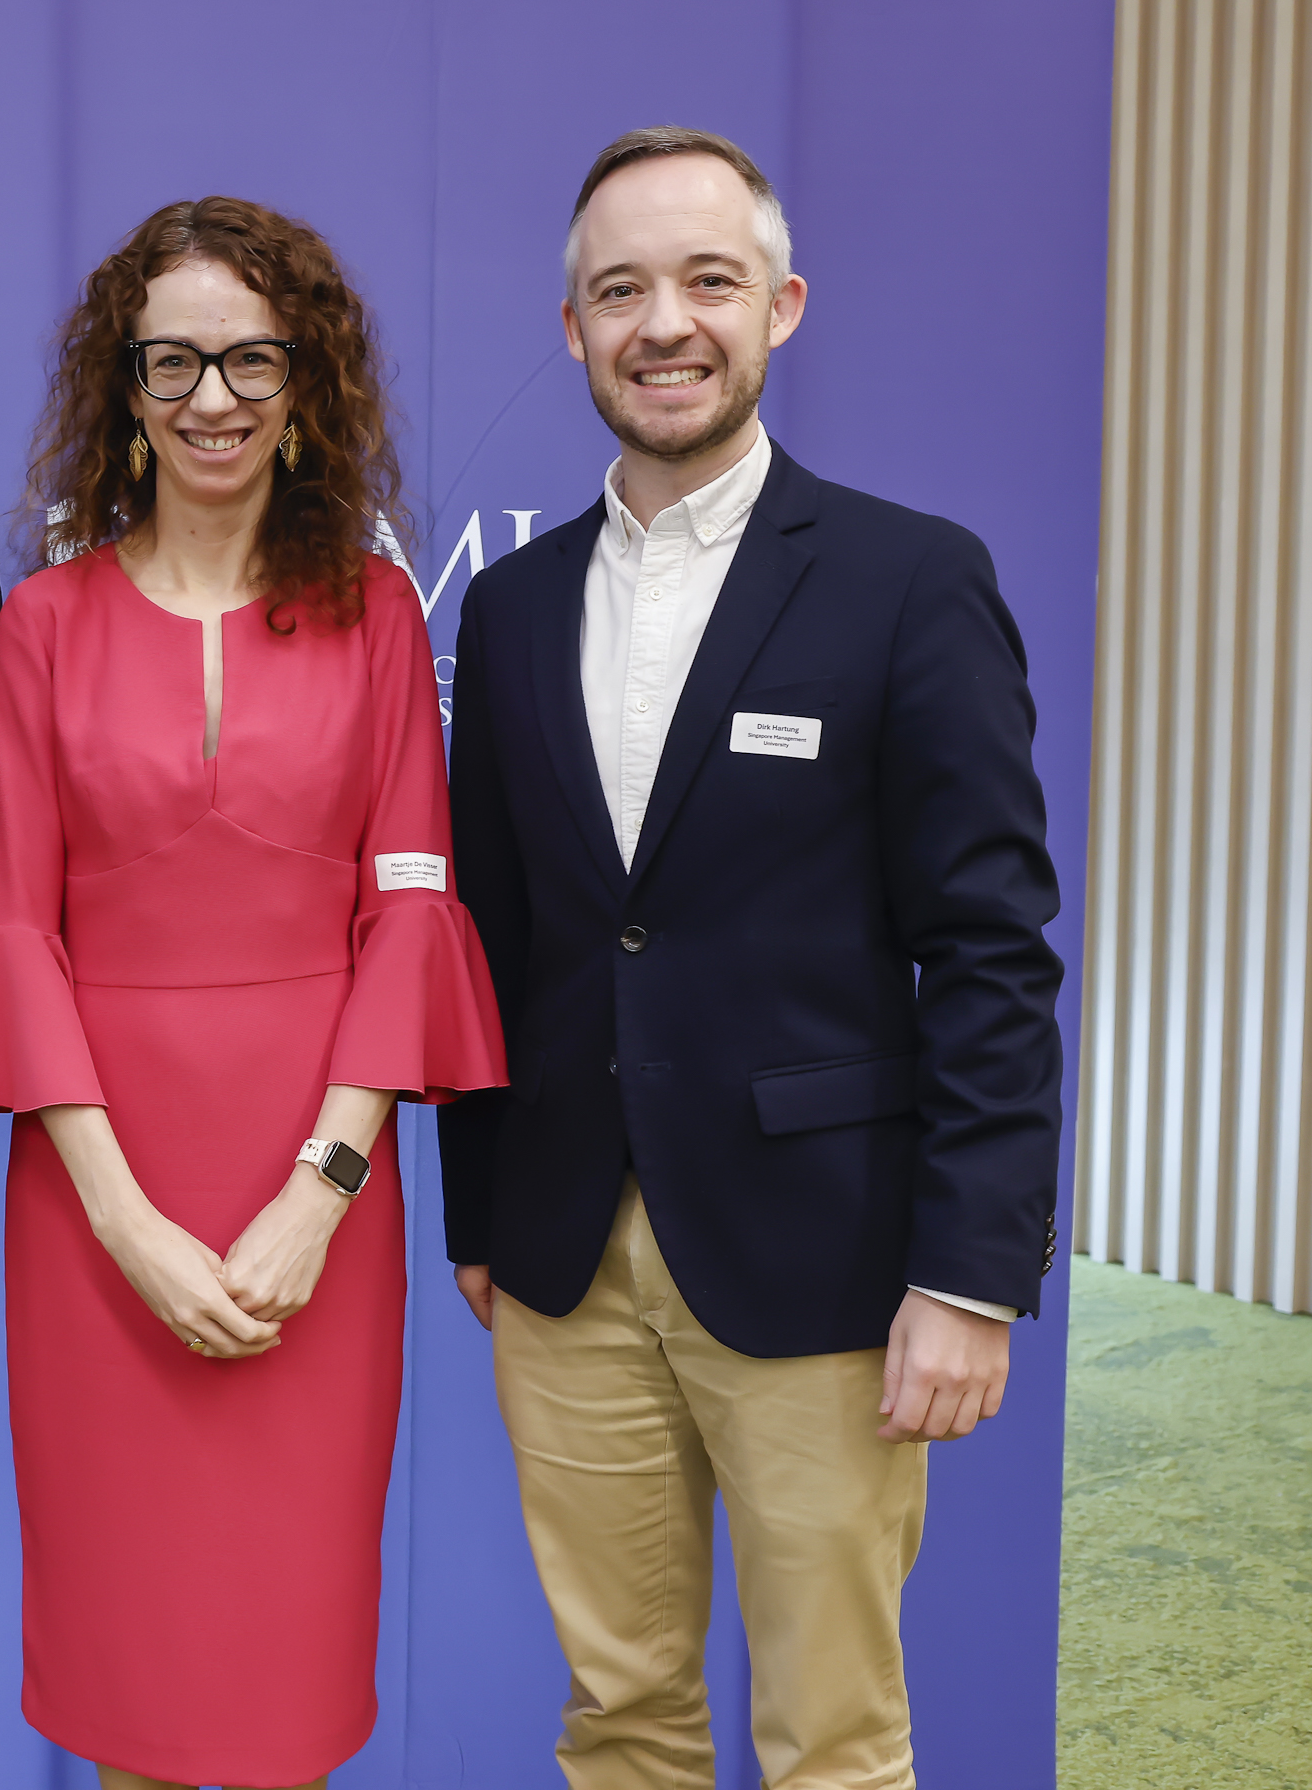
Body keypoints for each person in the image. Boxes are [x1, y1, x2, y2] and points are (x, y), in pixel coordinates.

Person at [441, 126, 1065, 1790]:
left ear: (781, 306)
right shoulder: (509, 614)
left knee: (832, 1736)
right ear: (569, 326)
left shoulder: (908, 580)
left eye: (709, 281)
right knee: (621, 1716)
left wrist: (974, 1273)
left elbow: (993, 951)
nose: (667, 323)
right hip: (564, 1263)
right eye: (621, 289)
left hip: (833, 1266)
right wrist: (480, 1208)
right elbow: (493, 934)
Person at [0, 197, 505, 1790]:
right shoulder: (38, 626)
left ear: (306, 383)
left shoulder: (383, 618)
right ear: (123, 387)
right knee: (138, 1670)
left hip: (320, 1186)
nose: (213, 396)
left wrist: (318, 1197)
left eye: (253, 357)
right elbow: (15, 936)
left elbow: (408, 917)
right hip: (97, 1205)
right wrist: (126, 1226)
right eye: (172, 359)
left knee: (281, 1664)